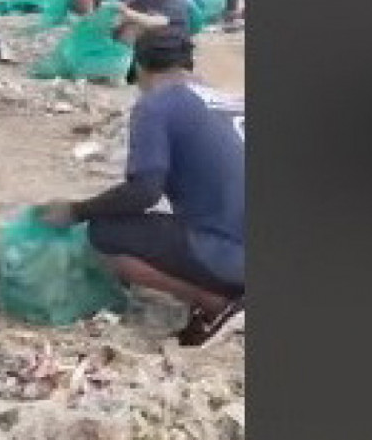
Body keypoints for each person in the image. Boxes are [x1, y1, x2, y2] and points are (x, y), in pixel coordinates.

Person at [39, 28, 244, 348]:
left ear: (141, 68)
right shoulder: (227, 100)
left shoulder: (156, 105)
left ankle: (218, 305)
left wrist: (76, 211)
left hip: (235, 259)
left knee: (105, 234)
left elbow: (144, 191)